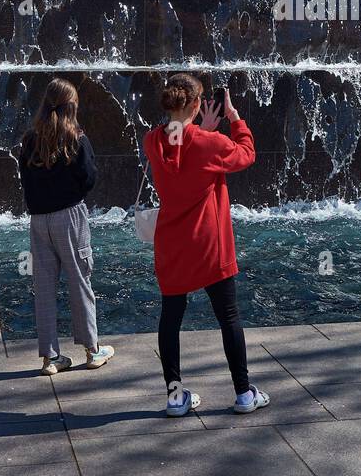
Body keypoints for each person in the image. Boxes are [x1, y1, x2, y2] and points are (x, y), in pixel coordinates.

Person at [143, 72, 268, 416]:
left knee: (170, 319)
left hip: (172, 245)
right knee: (228, 316)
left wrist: (203, 131)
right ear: (197, 104)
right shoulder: (209, 145)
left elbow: (182, 147)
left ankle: (174, 397)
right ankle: (244, 394)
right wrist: (233, 118)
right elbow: (245, 153)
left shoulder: (152, 142)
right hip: (209, 245)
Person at [18, 77, 115, 376]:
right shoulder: (76, 138)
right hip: (70, 217)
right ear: (72, 106)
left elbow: (25, 179)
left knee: (43, 286)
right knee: (80, 280)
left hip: (38, 220)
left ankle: (50, 359)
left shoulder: (30, 140)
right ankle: (92, 350)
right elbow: (88, 178)